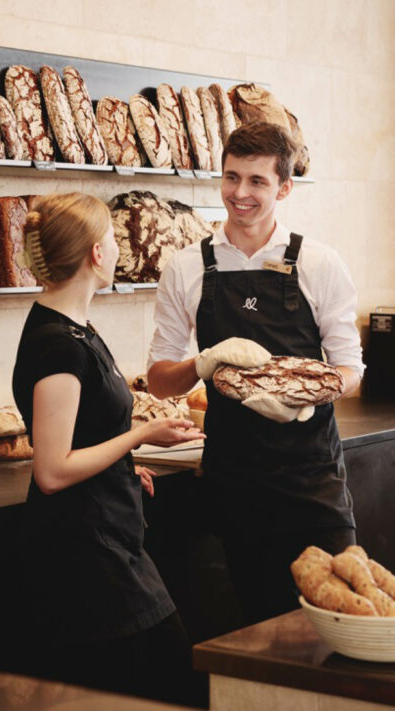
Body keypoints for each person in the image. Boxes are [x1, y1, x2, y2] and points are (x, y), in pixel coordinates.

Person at [147, 122, 364, 627]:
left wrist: (309, 396)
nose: (239, 194)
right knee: (256, 633)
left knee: (336, 624)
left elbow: (350, 369)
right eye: (231, 177)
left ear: (284, 188)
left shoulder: (319, 263)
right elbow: (159, 380)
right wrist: (201, 363)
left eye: (257, 181)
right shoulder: (185, 268)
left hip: (312, 480)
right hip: (234, 484)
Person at [12, 192, 206, 706]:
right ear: (97, 255)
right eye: (113, 240)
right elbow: (52, 470)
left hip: (106, 536)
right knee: (172, 681)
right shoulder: (59, 346)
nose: (119, 250)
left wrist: (124, 464)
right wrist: (141, 436)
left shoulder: (77, 329)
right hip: (84, 557)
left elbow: (85, 435)